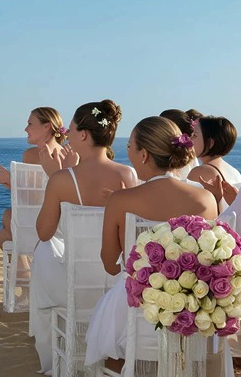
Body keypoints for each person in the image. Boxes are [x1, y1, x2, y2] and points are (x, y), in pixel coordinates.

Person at [85, 116, 217, 370]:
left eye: (130, 147)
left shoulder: (120, 200)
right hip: (190, 308)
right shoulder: (205, 199)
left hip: (136, 306)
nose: (129, 154)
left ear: (143, 154)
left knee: (112, 346)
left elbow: (110, 265)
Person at [28, 100, 137, 373]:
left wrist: (54, 177)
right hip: (116, 283)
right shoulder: (128, 174)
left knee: (43, 248)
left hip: (75, 283)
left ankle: (53, 355)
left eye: (73, 130)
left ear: (84, 135)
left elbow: (44, 231)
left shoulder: (63, 179)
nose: (68, 135)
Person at [0, 107, 67, 248]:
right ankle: (26, 268)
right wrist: (8, 181)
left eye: (30, 124)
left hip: (42, 224)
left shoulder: (32, 154)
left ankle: (24, 269)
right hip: (62, 224)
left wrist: (11, 178)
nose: (25, 129)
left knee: (6, 222)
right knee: (4, 235)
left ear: (46, 126)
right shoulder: (65, 153)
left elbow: (32, 200)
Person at [185, 115, 241, 211]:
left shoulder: (201, 172)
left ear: (210, 143)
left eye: (194, 135)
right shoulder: (234, 171)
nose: (190, 139)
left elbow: (185, 210)